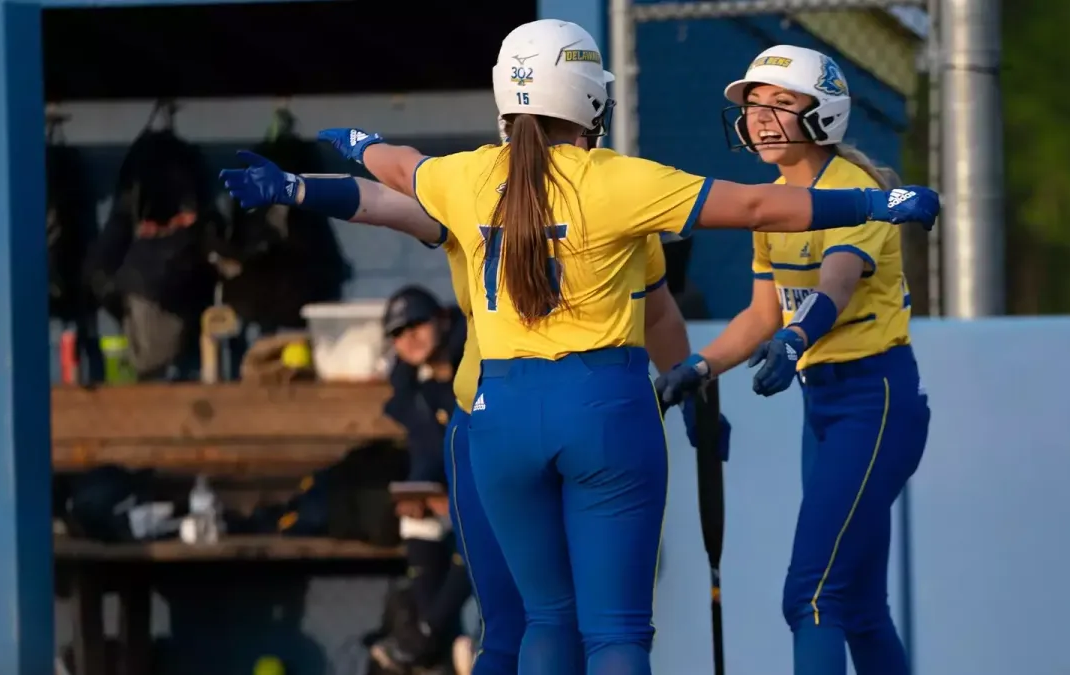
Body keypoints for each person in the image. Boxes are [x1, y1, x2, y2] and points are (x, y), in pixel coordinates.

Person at [226, 19, 938, 675]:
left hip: (497, 409)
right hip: (602, 403)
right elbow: (752, 209)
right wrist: (881, 202)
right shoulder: (619, 181)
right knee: (617, 633)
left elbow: (392, 179)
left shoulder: (471, 175)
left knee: (535, 623)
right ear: (591, 100)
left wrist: (318, 168)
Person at [222, 126, 730, 675]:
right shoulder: (507, 189)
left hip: (506, 423)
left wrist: (301, 185)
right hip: (539, 422)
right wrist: (298, 187)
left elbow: (657, 314)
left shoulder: (575, 191)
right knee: (541, 629)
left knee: (550, 627)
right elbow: (381, 203)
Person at [654, 45, 931, 675]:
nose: (760, 117)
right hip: (825, 405)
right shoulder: (775, 200)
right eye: (753, 105)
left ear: (824, 114)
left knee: (811, 596)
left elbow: (835, 283)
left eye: (781, 103)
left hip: (875, 398)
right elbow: (762, 314)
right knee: (857, 604)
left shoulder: (856, 190)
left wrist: (797, 340)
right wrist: (698, 368)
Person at [377, 284, 473, 672]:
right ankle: (436, 640)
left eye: (417, 323)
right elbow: (427, 454)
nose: (409, 337)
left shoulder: (477, 364)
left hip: (498, 495)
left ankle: (426, 637)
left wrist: (449, 500)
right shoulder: (418, 388)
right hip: (453, 496)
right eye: (398, 332)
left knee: (476, 529)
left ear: (442, 320)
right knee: (415, 520)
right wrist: (418, 492)